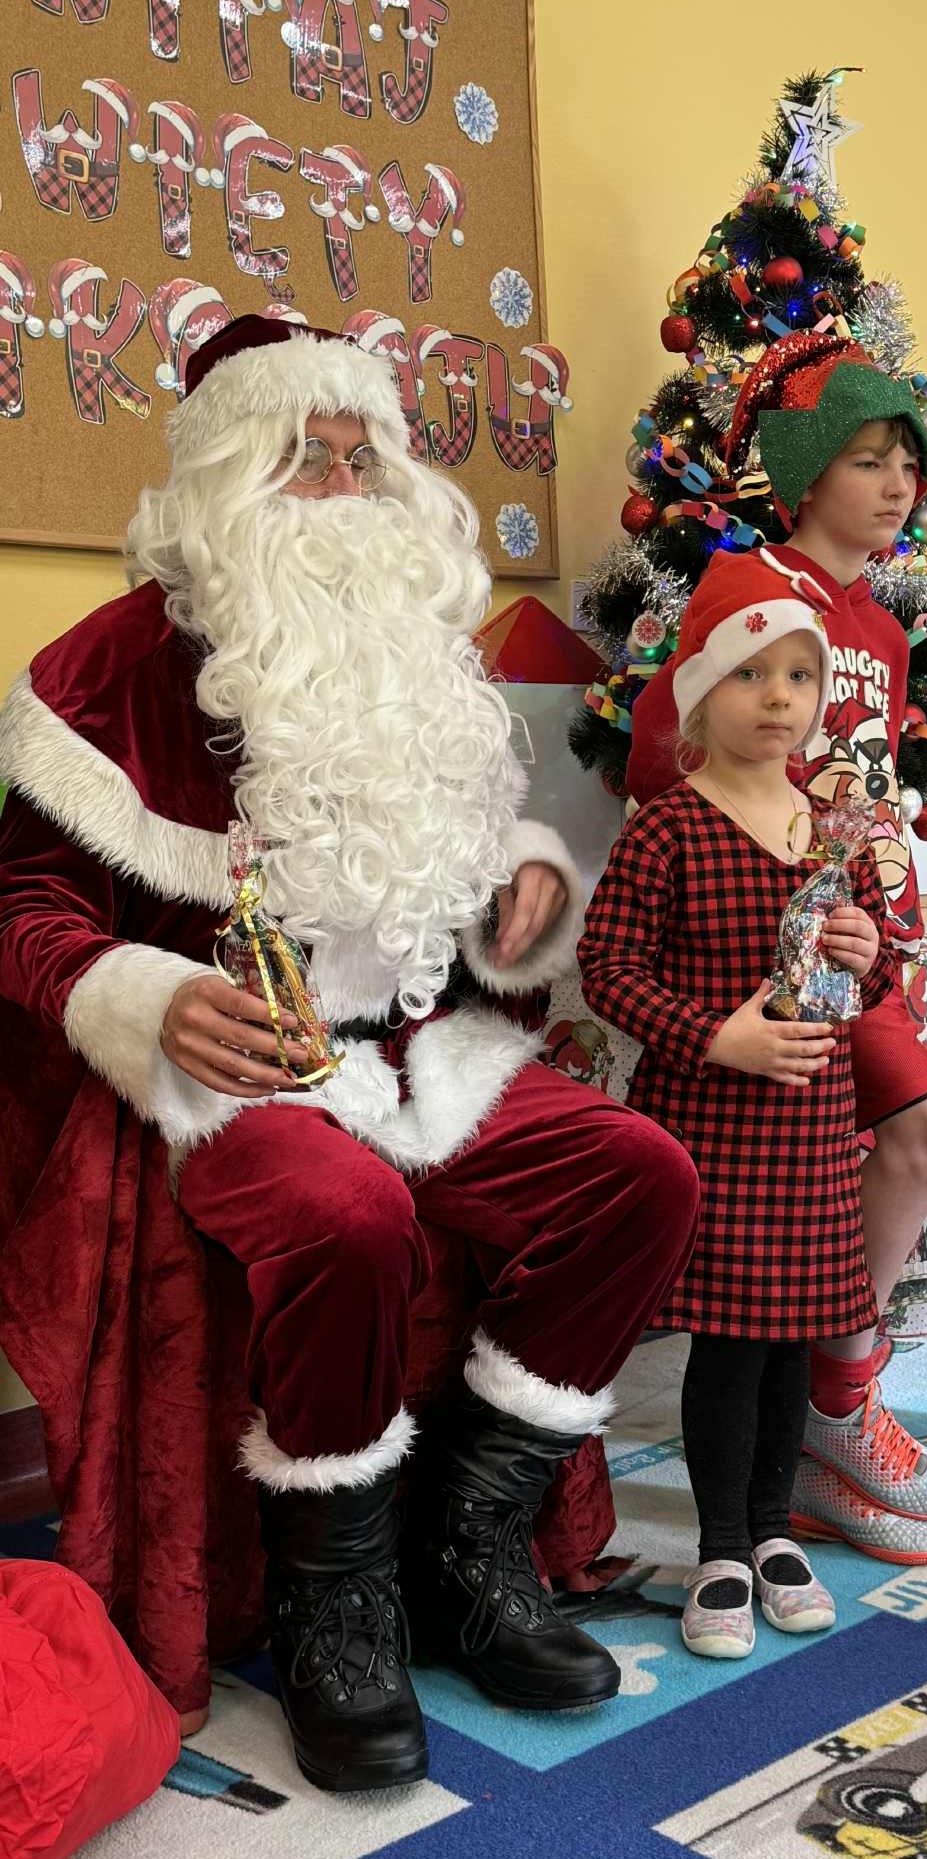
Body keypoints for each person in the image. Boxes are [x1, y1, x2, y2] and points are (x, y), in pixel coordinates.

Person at [0, 315, 700, 1793]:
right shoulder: (110, 666)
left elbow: (446, 889)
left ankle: (467, 1540)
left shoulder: (414, 654)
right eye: (300, 455)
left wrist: (518, 909)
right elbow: (25, 906)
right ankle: (339, 1599)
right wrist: (143, 996)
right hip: (229, 1067)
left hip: (414, 1049)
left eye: (356, 454)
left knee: (638, 1172)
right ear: (223, 473)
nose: (337, 485)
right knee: (348, 1214)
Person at [625, 332, 927, 1554]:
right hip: (757, 969)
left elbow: (862, 797)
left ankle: (830, 1407)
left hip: (852, 947)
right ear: (807, 468)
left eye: (907, 467)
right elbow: (667, 754)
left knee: (919, 1136)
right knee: (923, 1130)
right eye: (867, 460)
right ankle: (832, 1408)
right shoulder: (742, 584)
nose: (896, 486)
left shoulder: (881, 627)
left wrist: (884, 930)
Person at [579, 553, 912, 1656]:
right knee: (727, 1344)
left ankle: (773, 1528)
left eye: (798, 677)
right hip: (711, 1129)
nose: (777, 699)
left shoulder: (828, 833)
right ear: (699, 694)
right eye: (749, 674)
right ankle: (721, 1544)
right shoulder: (669, 827)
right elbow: (607, 968)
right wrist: (712, 1035)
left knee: (789, 1340)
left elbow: (865, 970)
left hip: (813, 1131)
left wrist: (863, 952)